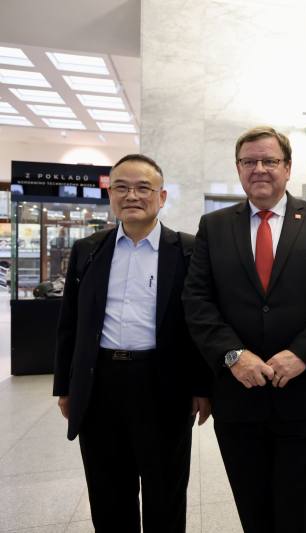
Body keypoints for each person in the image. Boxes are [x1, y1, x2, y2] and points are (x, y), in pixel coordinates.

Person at [182, 126, 306, 533]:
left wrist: (301, 354)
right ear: (239, 169)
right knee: (254, 510)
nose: (259, 169)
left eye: (269, 161)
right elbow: (197, 301)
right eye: (249, 162)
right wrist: (233, 356)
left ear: (287, 168)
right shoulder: (214, 226)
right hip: (240, 397)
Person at [53, 154, 212, 533]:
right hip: (99, 384)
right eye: (121, 187)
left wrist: (203, 386)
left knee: (165, 493)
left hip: (163, 384)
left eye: (143, 188)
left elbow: (202, 325)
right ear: (110, 194)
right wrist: (65, 386)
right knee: (108, 493)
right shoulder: (88, 249)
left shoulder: (188, 251)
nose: (132, 196)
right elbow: (70, 324)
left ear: (162, 197)